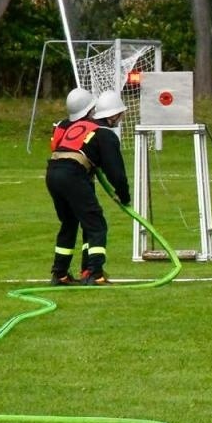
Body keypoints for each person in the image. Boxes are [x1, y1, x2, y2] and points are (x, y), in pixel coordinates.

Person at [46, 87, 131, 286]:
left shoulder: (69, 126)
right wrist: (124, 195)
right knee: (96, 225)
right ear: (114, 115)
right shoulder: (104, 134)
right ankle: (95, 273)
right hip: (73, 175)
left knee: (69, 223)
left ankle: (60, 274)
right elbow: (116, 173)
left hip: (53, 172)